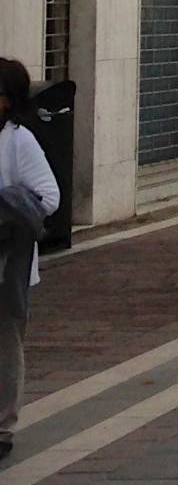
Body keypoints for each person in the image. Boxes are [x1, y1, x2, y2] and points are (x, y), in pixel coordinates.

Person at [0, 58, 58, 463]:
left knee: (4, 343)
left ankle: (3, 426)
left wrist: (5, 203)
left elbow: (49, 198)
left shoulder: (18, 141)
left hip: (6, 263)